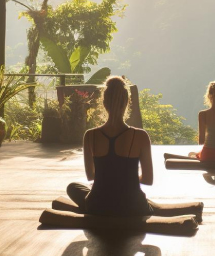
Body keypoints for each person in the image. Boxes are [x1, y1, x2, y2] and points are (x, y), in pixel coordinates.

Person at [66, 76, 154, 216]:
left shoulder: (90, 135)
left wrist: (110, 178)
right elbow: (148, 180)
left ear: (104, 103)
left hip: (98, 205)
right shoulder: (141, 136)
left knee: (73, 188)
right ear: (127, 102)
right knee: (134, 195)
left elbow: (91, 176)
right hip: (133, 206)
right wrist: (125, 178)